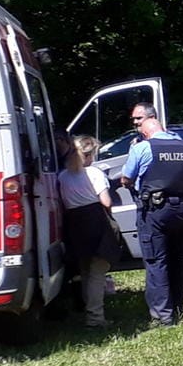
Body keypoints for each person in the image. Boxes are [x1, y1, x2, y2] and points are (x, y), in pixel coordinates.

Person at [119, 105, 183, 326]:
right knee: (178, 259)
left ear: (147, 130)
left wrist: (129, 185)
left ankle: (162, 316)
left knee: (157, 261)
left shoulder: (142, 148)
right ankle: (178, 307)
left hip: (156, 212)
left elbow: (126, 179)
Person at [57, 133, 121, 328]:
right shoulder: (94, 173)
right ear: (91, 153)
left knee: (85, 271)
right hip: (95, 221)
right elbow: (106, 202)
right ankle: (95, 317)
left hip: (74, 223)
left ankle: (87, 310)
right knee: (97, 272)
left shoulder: (62, 176)